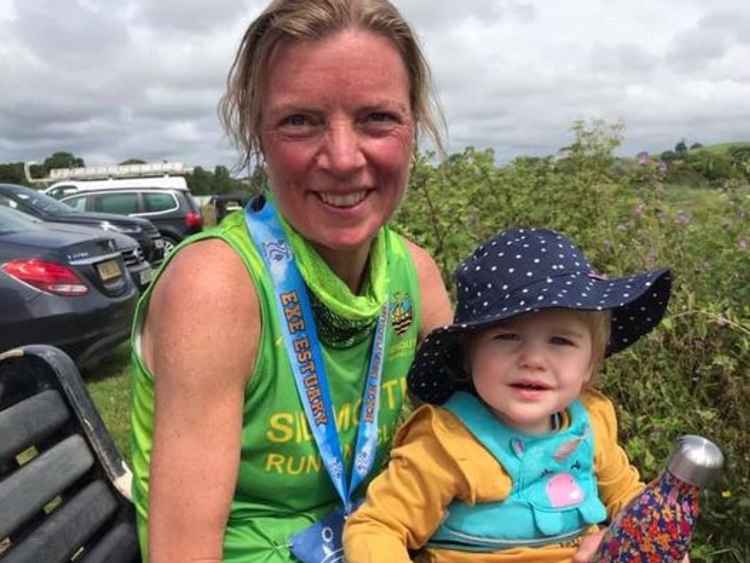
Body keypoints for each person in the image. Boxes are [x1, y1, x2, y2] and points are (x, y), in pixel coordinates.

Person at [128, 1, 453, 562]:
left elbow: (484, 437)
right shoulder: (217, 287)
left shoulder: (412, 274)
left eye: (377, 117)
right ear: (258, 134)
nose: (345, 158)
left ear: (414, 124)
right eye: (300, 120)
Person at [343, 227, 675, 562]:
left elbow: (627, 497)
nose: (533, 360)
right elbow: (377, 526)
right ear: (468, 356)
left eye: (560, 341)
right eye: (507, 336)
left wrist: (655, 538)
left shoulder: (591, 423)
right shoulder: (447, 443)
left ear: (590, 364)